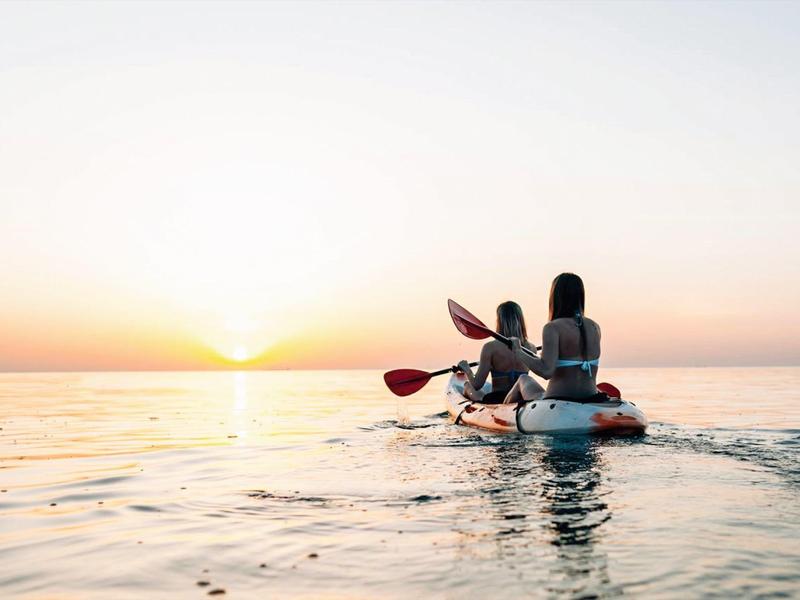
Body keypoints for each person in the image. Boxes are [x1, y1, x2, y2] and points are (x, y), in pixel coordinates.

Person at [503, 273, 602, 403]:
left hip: (557, 398)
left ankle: (501, 415)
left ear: (555, 296)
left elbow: (546, 371)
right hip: (590, 396)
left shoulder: (553, 328)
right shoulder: (595, 327)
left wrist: (518, 351)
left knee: (523, 379)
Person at [457, 301, 535, 403]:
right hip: (519, 398)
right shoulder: (531, 348)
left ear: (500, 321)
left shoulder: (490, 348)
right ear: (520, 320)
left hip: (497, 400)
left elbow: (477, 385)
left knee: (467, 385)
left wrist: (467, 369)